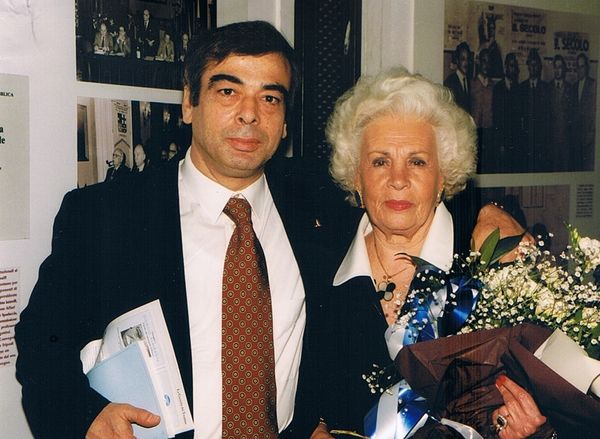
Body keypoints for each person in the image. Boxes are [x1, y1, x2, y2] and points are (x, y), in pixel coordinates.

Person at [15, 20, 335, 439]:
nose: (250, 113)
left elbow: (335, 338)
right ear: (188, 103)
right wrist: (86, 416)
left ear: (286, 120)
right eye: (228, 91)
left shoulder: (319, 212)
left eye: (270, 98)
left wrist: (319, 419)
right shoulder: (106, 215)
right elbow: (42, 344)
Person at [306, 68, 549, 438]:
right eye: (380, 161)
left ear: (443, 176)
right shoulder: (320, 266)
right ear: (356, 177)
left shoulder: (493, 260)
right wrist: (313, 427)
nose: (398, 179)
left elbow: (552, 400)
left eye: (417, 161)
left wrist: (527, 430)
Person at [518, 49, 550, 172]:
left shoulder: (545, 88)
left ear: (539, 67)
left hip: (541, 140)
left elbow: (548, 117)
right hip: (525, 139)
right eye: (531, 64)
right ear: (527, 66)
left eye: (535, 64)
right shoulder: (521, 88)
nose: (533, 67)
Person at [492, 52, 523, 172]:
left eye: (514, 66)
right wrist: (500, 143)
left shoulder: (518, 88)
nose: (513, 69)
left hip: (515, 141)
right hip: (502, 141)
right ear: (505, 67)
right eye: (511, 66)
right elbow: (496, 118)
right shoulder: (498, 88)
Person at [548, 54, 575, 171]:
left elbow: (573, 115)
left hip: (566, 139)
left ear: (563, 69)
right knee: (553, 168)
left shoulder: (570, 88)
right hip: (552, 138)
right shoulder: (548, 88)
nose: (557, 70)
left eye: (560, 67)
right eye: (555, 67)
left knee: (566, 168)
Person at [471, 48, 494, 172]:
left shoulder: (492, 85)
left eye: (489, 62)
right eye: (484, 61)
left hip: (488, 131)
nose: (486, 65)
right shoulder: (472, 84)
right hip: (475, 130)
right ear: (479, 62)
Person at [573, 53, 596, 171]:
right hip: (577, 138)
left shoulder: (593, 84)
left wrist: (591, 133)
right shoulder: (574, 86)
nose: (580, 70)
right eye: (578, 66)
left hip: (589, 138)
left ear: (587, 67)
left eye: (582, 66)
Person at [444, 41, 471, 113]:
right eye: (463, 59)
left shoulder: (470, 81)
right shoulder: (450, 82)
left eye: (468, 59)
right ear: (457, 60)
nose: (466, 63)